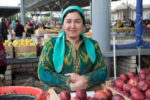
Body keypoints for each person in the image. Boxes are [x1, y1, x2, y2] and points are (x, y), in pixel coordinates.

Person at [38, 6, 107, 91]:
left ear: (83, 25)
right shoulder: (51, 44)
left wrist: (84, 79)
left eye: (77, 21)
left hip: (86, 94)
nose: (72, 26)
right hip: (57, 93)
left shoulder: (93, 45)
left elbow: (103, 71)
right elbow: (43, 72)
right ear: (63, 25)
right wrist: (68, 83)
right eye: (68, 21)